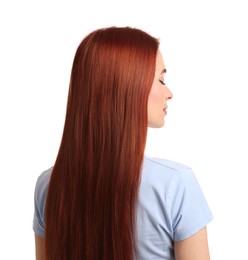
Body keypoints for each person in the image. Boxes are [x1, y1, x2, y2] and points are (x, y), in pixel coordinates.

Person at [33, 27, 213, 260]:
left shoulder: (48, 185)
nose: (169, 92)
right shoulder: (175, 184)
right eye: (161, 79)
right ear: (129, 86)